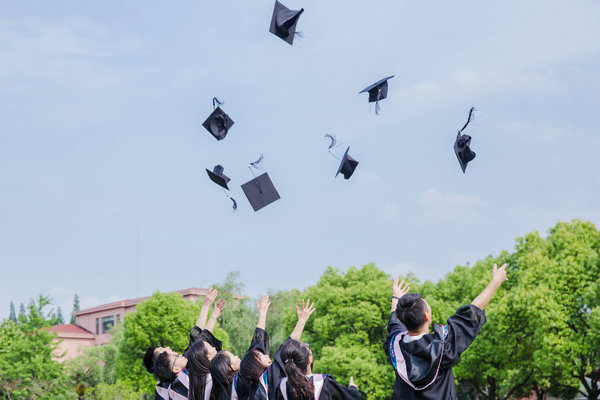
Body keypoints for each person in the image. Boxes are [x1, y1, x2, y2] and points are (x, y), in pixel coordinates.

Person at [384, 263, 508, 400]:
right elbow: (471, 313)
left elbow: (394, 323)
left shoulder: (395, 348)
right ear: (427, 316)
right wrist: (495, 282)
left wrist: (396, 298)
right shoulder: (443, 346)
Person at [234, 298, 316, 400]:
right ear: (254, 366)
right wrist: (301, 321)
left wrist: (262, 314)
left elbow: (256, 345)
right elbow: (287, 347)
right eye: (261, 356)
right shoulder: (270, 377)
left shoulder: (242, 384)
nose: (266, 355)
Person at [152, 291, 226, 400]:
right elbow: (201, 342)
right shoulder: (184, 382)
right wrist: (209, 310)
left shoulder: (170, 381)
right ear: (175, 369)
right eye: (174, 355)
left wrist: (208, 309)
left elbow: (196, 338)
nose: (179, 354)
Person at [209, 294, 272, 400]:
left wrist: (213, 316)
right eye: (233, 356)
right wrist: (262, 314)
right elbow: (256, 347)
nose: (238, 356)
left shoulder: (221, 391)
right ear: (231, 367)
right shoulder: (240, 381)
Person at [275, 339, 361, 400]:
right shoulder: (323, 383)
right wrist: (352, 388)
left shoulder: (282, 386)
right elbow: (352, 397)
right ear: (309, 360)